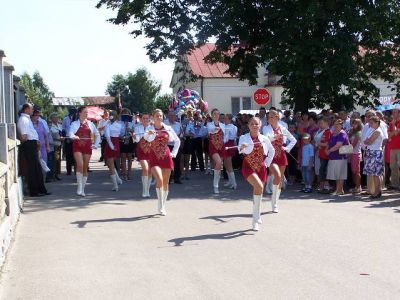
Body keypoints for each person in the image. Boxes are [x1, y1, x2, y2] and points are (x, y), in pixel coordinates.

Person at [238, 117, 275, 231]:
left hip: (261, 168)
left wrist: (267, 163)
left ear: (260, 125)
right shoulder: (244, 137)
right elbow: (240, 150)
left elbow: (272, 151)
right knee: (258, 186)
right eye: (252, 124)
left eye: (256, 124)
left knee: (259, 191)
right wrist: (242, 147)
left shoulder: (264, 138)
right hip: (248, 167)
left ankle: (255, 218)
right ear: (248, 126)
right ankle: (256, 218)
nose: (254, 126)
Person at [144, 109, 180, 215]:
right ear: (153, 117)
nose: (159, 117)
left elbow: (177, 141)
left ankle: (163, 205)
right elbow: (147, 138)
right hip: (154, 156)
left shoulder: (168, 128)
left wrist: (174, 153)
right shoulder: (150, 128)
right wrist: (150, 134)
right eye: (157, 116)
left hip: (166, 157)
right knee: (159, 179)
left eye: (160, 116)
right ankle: (160, 204)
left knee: (165, 182)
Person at [262, 109, 297, 212]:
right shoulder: (266, 128)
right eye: (269, 117)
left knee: (280, 179)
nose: (270, 119)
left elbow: (293, 140)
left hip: (281, 155)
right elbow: (267, 138)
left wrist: (287, 148)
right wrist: (275, 137)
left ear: (277, 117)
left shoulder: (283, 128)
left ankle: (275, 203)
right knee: (276, 175)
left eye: (272, 117)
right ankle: (273, 200)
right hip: (271, 156)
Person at [17, 103, 50, 197]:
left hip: (32, 143)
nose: (32, 111)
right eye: (31, 109)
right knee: (32, 169)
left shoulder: (26, 119)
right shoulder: (23, 120)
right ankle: (34, 191)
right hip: (29, 144)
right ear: (26, 109)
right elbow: (24, 136)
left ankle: (40, 189)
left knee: (37, 168)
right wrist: (33, 142)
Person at [69, 106, 100, 196]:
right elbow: (70, 133)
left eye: (87, 112)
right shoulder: (74, 123)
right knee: (80, 164)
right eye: (85, 112)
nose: (87, 114)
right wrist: (73, 136)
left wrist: (96, 144)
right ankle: (79, 187)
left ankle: (82, 189)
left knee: (85, 167)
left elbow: (97, 134)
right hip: (77, 146)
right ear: (80, 113)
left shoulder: (91, 124)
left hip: (87, 147)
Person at [363, 116, 384, 198]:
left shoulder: (377, 131)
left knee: (376, 174)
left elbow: (369, 142)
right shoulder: (373, 131)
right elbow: (366, 141)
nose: (370, 124)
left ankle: (377, 192)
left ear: (377, 122)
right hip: (372, 153)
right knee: (374, 174)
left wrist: (367, 141)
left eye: (372, 123)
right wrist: (367, 141)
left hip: (375, 153)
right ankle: (377, 191)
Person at [326, 119, 349, 196]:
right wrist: (327, 148)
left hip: (340, 156)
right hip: (334, 157)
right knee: (336, 174)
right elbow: (329, 143)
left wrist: (329, 151)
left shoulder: (342, 133)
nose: (336, 126)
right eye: (335, 124)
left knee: (340, 174)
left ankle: (339, 190)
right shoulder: (334, 133)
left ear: (341, 125)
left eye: (338, 124)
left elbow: (338, 145)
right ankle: (339, 190)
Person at [134, 112, 154, 197]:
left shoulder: (152, 128)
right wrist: (134, 137)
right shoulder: (137, 128)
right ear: (141, 119)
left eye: (147, 118)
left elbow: (150, 140)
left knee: (150, 170)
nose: (145, 120)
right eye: (144, 118)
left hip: (150, 150)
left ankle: (147, 190)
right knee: (145, 168)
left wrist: (149, 134)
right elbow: (137, 140)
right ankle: (144, 190)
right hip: (141, 150)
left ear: (149, 119)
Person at [207, 108, 226, 194]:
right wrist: (216, 130)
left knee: (219, 165)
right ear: (212, 115)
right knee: (218, 162)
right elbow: (211, 131)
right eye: (214, 114)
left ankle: (216, 185)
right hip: (213, 146)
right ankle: (216, 186)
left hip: (221, 146)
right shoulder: (209, 124)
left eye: (217, 114)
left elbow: (225, 136)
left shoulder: (223, 125)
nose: (216, 115)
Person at [104, 110, 123, 191]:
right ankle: (118, 180)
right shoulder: (120, 124)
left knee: (110, 165)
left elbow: (107, 137)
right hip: (117, 145)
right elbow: (121, 135)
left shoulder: (108, 125)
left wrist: (111, 146)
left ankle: (115, 186)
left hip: (110, 145)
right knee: (111, 164)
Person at [165, 110, 183, 183]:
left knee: (177, 162)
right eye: (170, 115)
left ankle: (177, 178)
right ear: (168, 116)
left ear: (175, 117)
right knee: (168, 162)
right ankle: (168, 178)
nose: (172, 117)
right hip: (167, 145)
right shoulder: (165, 124)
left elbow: (181, 134)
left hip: (176, 145)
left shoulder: (178, 124)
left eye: (173, 116)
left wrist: (177, 136)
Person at [317, 117, 332, 193]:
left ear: (326, 123)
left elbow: (328, 143)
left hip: (326, 155)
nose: (320, 125)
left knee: (324, 170)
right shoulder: (323, 132)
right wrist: (320, 144)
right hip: (322, 154)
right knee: (322, 170)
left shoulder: (328, 132)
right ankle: (322, 186)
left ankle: (326, 186)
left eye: (321, 123)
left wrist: (319, 144)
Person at [119, 108, 135, 180]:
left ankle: (129, 173)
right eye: (124, 114)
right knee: (123, 157)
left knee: (129, 157)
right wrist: (121, 136)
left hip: (129, 139)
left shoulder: (132, 122)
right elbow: (118, 132)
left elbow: (135, 131)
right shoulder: (120, 122)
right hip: (122, 139)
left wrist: (130, 130)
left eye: (127, 114)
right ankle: (124, 174)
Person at [223, 114, 238, 189]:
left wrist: (219, 142)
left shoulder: (231, 127)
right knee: (225, 164)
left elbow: (226, 138)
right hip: (227, 145)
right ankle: (230, 181)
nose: (224, 120)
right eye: (224, 119)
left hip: (229, 145)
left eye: (226, 119)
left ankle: (234, 183)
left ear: (229, 119)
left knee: (229, 165)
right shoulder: (227, 126)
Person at [349, 119, 363, 193]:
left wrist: (344, 150)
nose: (354, 125)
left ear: (359, 124)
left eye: (356, 123)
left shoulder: (359, 133)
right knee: (353, 172)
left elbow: (353, 145)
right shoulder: (352, 132)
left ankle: (358, 187)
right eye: (353, 123)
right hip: (352, 154)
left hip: (356, 153)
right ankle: (356, 187)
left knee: (357, 172)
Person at [62, 107, 77, 175]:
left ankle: (76, 170)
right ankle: (68, 170)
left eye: (74, 112)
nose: (73, 113)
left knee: (75, 154)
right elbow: (63, 128)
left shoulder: (77, 119)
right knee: (68, 155)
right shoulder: (65, 119)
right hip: (68, 138)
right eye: (71, 112)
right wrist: (65, 136)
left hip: (75, 138)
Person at [49, 113, 63, 181]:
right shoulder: (51, 126)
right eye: (54, 117)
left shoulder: (59, 125)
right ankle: (53, 174)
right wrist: (59, 138)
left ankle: (57, 174)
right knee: (54, 160)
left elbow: (62, 133)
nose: (56, 119)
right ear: (51, 119)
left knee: (58, 160)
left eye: (57, 117)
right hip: (54, 144)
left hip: (59, 144)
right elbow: (52, 136)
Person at [388, 108, 400, 190]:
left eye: (395, 112)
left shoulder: (395, 123)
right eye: (393, 112)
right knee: (393, 166)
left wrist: (394, 125)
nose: (393, 114)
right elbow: (389, 135)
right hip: (392, 147)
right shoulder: (391, 123)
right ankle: (394, 184)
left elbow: (396, 132)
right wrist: (393, 133)